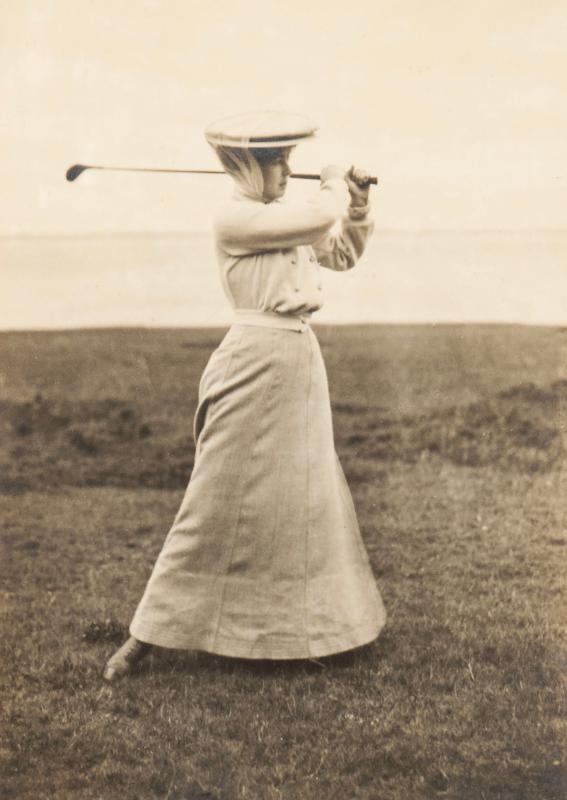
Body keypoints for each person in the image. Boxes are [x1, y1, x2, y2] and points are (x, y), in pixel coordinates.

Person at [103, 111, 386, 681]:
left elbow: (340, 253)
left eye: (289, 160)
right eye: (278, 161)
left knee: (303, 499)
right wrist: (334, 182)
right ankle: (144, 637)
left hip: (299, 362)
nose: (286, 170)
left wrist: (356, 206)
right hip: (252, 360)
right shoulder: (235, 218)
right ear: (249, 168)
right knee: (215, 496)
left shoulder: (282, 218)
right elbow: (319, 215)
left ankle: (309, 634)